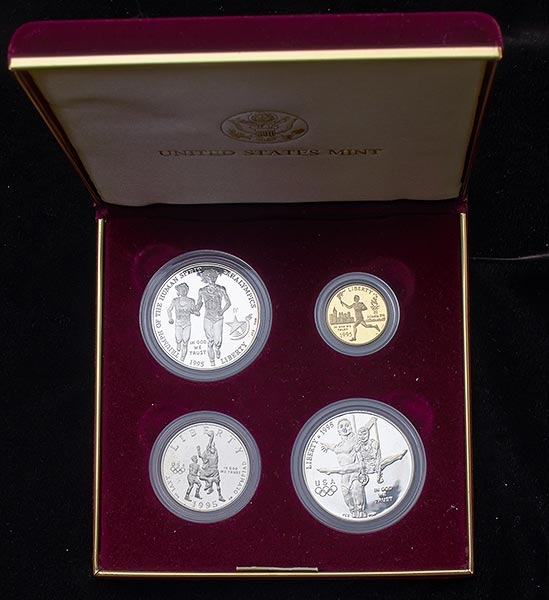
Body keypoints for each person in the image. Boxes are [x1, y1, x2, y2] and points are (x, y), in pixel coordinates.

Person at [195, 268, 231, 366]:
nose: (212, 278)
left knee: (217, 341)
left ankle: (217, 348)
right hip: (207, 317)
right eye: (210, 276)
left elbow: (228, 303)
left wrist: (222, 311)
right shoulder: (202, 291)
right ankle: (212, 362)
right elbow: (199, 303)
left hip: (218, 317)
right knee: (210, 340)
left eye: (214, 276)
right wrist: (196, 310)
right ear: (206, 278)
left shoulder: (221, 289)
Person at [167, 282, 199, 361]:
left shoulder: (191, 301)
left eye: (185, 289)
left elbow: (195, 312)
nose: (183, 291)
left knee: (185, 341)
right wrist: (170, 318)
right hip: (178, 323)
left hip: (187, 324)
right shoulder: (175, 300)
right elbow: (169, 310)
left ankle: (182, 357)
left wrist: (195, 312)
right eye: (181, 289)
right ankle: (178, 343)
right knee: (178, 339)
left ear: (187, 291)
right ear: (179, 291)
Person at [197, 430, 225, 502]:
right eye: (211, 448)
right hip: (210, 470)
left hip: (214, 470)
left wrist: (212, 436)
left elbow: (209, 444)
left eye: (213, 447)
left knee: (217, 484)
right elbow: (204, 460)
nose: (211, 448)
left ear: (214, 448)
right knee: (202, 476)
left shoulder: (215, 454)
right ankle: (210, 487)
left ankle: (219, 495)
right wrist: (199, 451)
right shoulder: (209, 455)